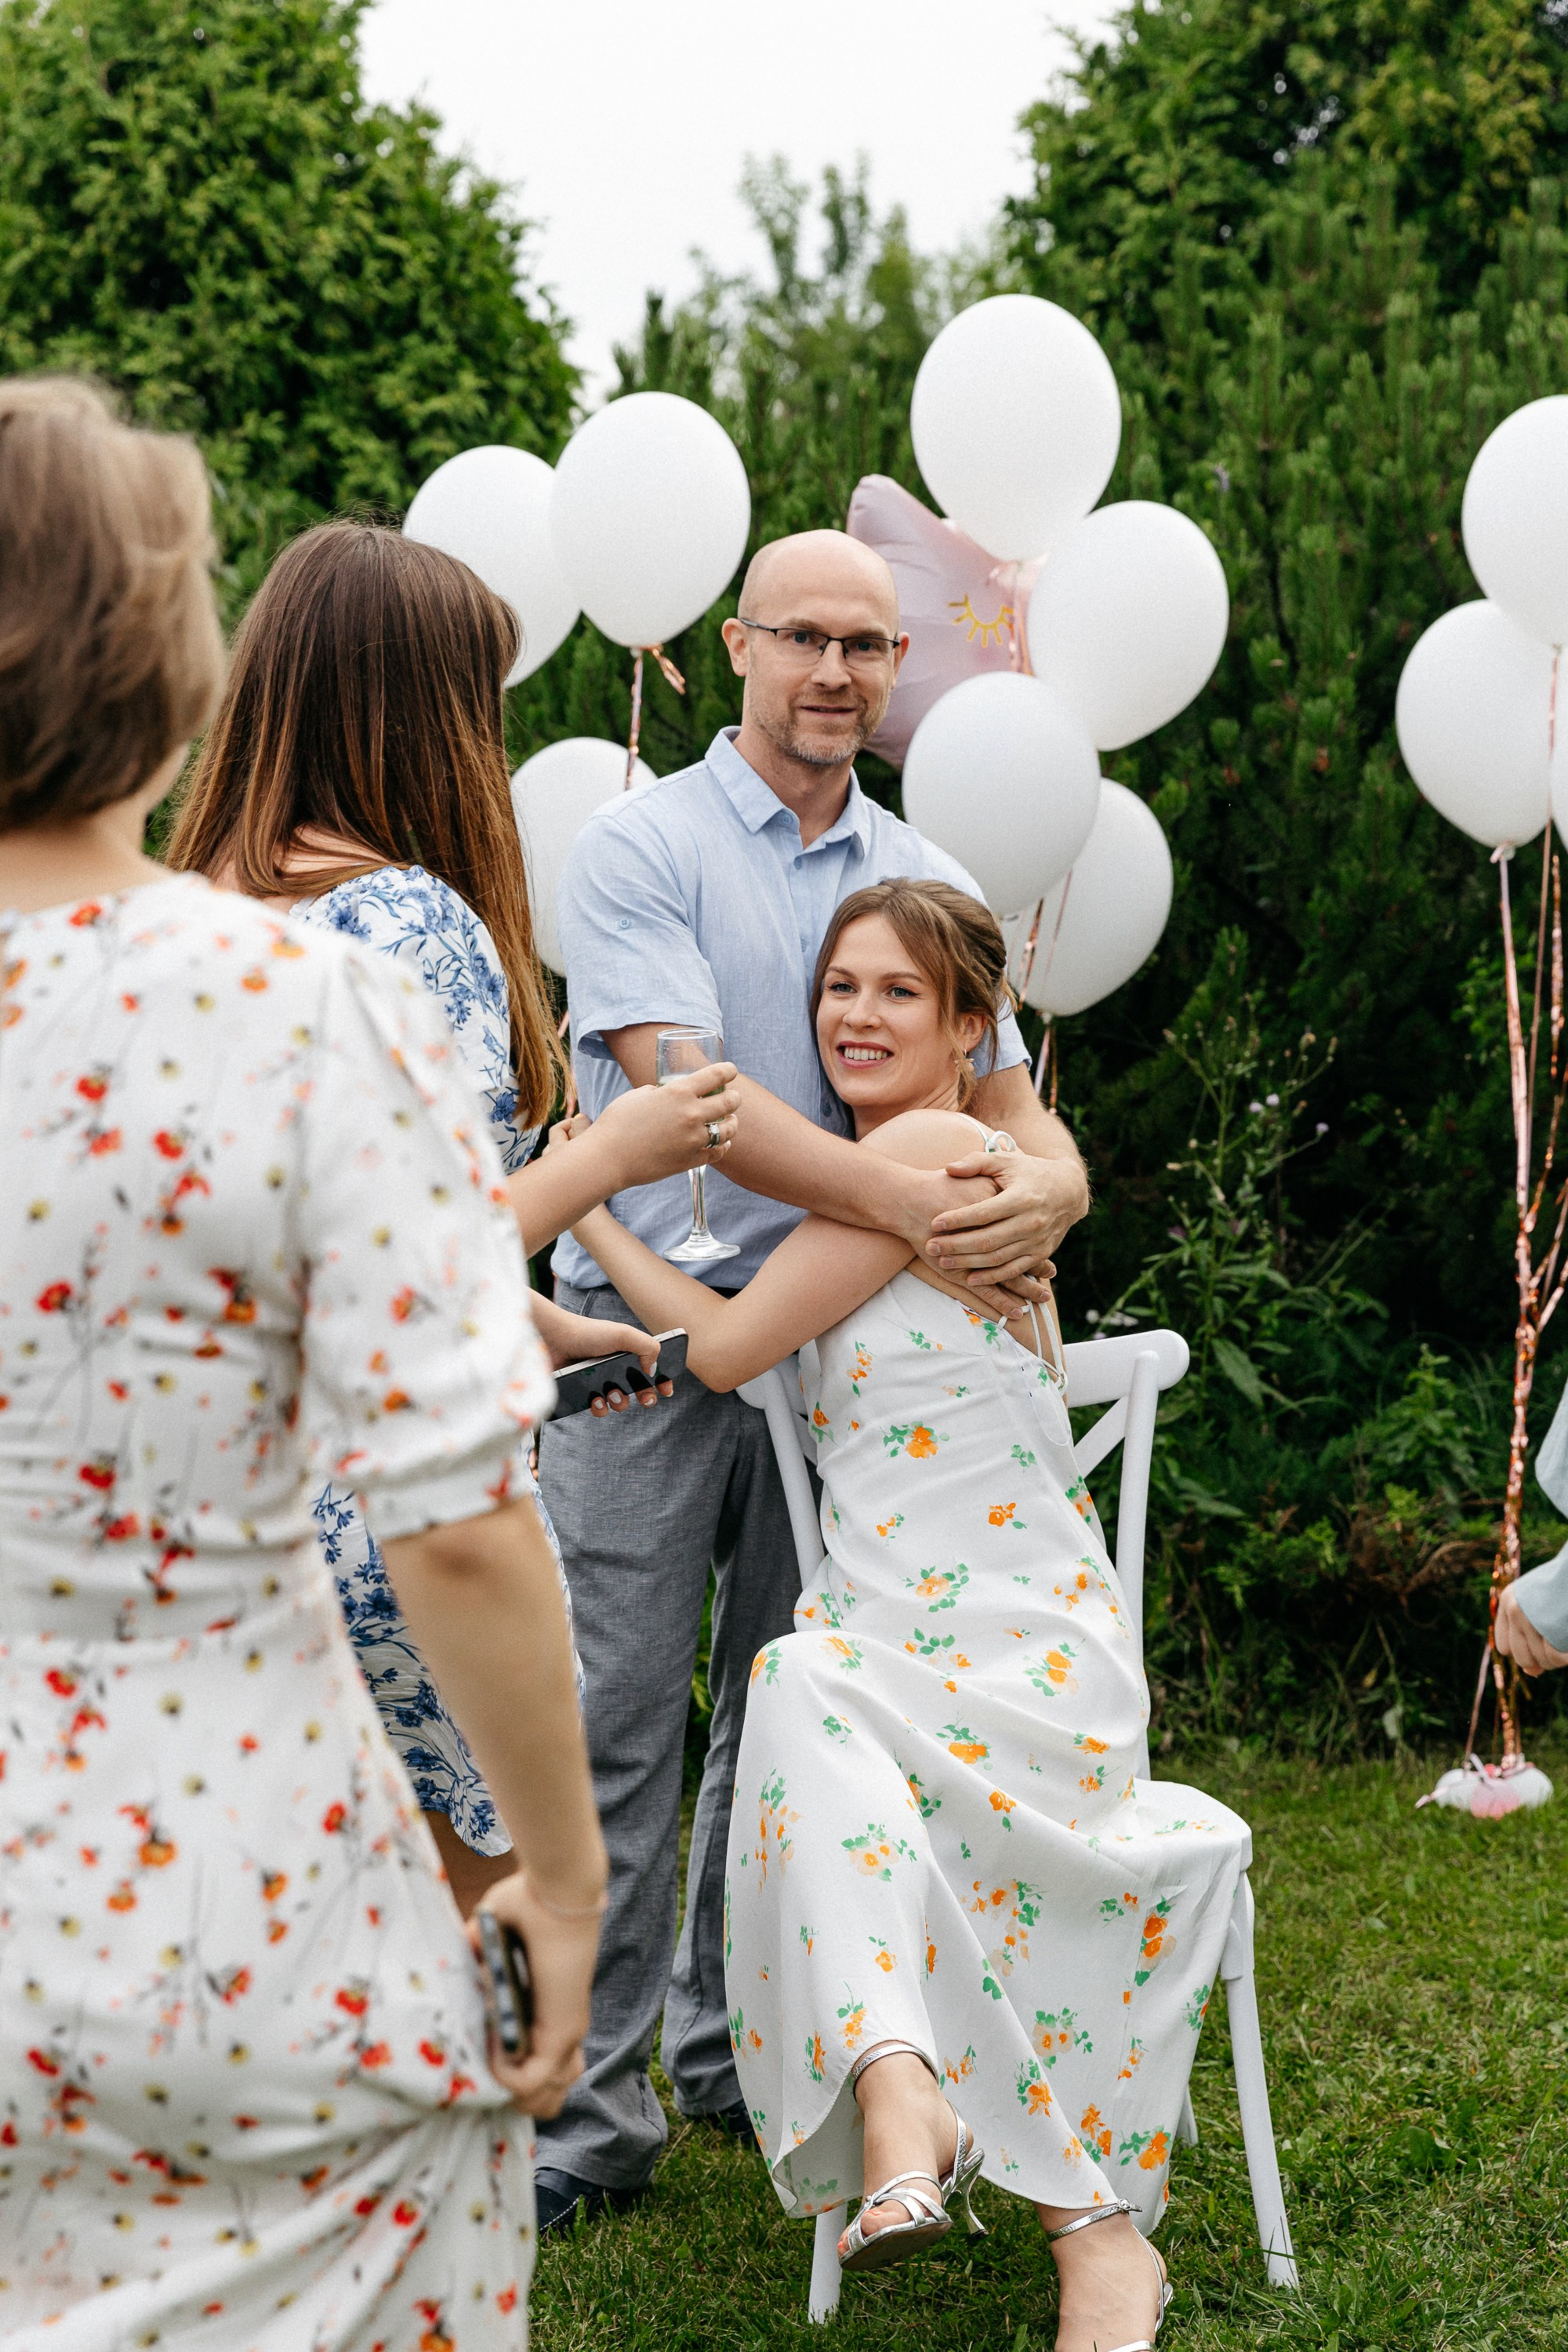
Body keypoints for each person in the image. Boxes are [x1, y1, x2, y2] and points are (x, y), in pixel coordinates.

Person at [0, 376, 606, 2345]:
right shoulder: (301, 997)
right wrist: (568, 1881)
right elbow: (449, 1508)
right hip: (247, 1907)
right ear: (168, 665)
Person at [562, 878, 1250, 2352]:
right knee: (805, 1684)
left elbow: (734, 1345)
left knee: (799, 1685)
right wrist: (618, 1241)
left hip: (1015, 1645)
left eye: (896, 994)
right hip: (883, 1647)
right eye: (839, 990)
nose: (856, 1017)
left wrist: (587, 1202)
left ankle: (909, 2100)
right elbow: (735, 1348)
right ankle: (1072, 2216)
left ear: (968, 1028)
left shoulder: (942, 1154)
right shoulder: (868, 1193)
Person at [537, 528, 1092, 2229]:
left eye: (868, 643)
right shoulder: (635, 847)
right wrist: (919, 1199)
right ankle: (584, 2115)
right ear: (735, 646)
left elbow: (1011, 1114)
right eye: (804, 639)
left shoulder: (924, 866)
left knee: (777, 1715)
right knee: (615, 1723)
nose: (838, 673)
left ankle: (718, 2053)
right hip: (647, 1354)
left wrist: (1055, 1184)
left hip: (837, 1359)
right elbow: (696, 1108)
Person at [169, 523, 739, 1914]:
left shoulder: (182, 914)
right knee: (472, 1964)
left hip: (211, 1508)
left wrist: (542, 1327)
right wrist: (620, 1150)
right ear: (420, 709)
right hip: (397, 1518)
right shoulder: (412, 924)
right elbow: (421, 1246)